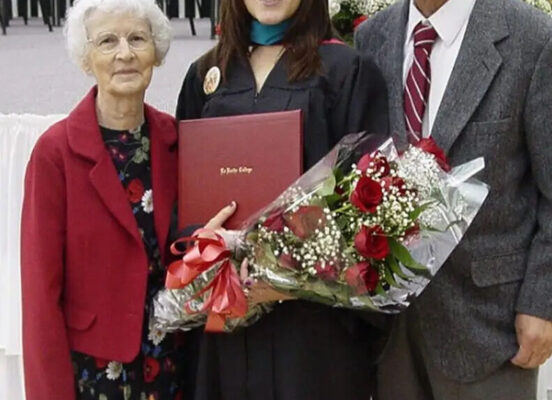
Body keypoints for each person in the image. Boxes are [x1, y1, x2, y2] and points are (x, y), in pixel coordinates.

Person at [355, 0, 552, 398]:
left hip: (489, 326)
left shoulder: (535, 40)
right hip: (391, 330)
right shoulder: (371, 37)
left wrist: (543, 303)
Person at [20, 0, 235, 398]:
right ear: (86, 58)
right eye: (107, 41)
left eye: (137, 39)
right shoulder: (55, 153)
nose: (125, 54)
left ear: (156, 51)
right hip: (93, 373)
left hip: (172, 364)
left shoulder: (177, 140)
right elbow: (40, 296)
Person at [176, 0, 389, 398]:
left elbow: (370, 207)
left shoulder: (346, 71)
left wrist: (292, 274)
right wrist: (202, 247)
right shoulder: (206, 74)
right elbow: (183, 193)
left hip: (310, 333)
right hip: (225, 327)